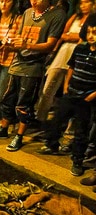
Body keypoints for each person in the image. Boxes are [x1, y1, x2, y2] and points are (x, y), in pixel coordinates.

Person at [0, 0, 66, 152]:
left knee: (24, 102)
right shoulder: (28, 12)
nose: (34, 1)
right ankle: (4, 128)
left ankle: (19, 136)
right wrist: (10, 44)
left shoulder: (57, 14)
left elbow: (50, 44)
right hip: (17, 62)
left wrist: (26, 45)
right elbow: (20, 37)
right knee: (7, 98)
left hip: (34, 65)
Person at [37, 14, 96, 176]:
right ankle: (52, 144)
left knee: (81, 131)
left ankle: (77, 160)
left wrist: (91, 96)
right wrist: (66, 86)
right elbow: (71, 67)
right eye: (89, 32)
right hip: (71, 92)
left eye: (95, 32)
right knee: (57, 119)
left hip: (86, 98)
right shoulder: (81, 48)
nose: (91, 36)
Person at [36, 0, 94, 124]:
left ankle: (69, 125)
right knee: (49, 84)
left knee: (71, 89)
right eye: (81, 3)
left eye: (86, 2)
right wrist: (73, 36)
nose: (83, 6)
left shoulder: (93, 20)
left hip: (80, 55)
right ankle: (40, 118)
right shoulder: (75, 16)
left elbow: (85, 37)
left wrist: (73, 36)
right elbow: (62, 34)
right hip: (64, 52)